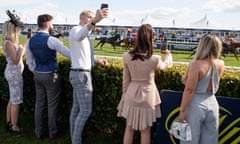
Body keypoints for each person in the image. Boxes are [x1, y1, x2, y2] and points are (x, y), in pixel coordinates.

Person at [117, 24, 173, 144]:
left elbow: (125, 80)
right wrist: (168, 56)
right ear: (151, 39)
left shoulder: (127, 56)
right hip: (148, 96)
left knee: (129, 128)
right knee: (145, 130)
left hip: (131, 94)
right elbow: (165, 66)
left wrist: (124, 95)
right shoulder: (155, 59)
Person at [26, 14, 70, 140]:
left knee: (39, 104)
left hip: (38, 74)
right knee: (52, 105)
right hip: (51, 75)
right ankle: (53, 132)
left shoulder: (30, 40)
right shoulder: (52, 40)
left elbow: (29, 61)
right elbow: (68, 53)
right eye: (52, 24)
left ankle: (38, 133)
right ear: (48, 24)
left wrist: (34, 71)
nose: (53, 26)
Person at [68, 8, 108, 144]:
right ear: (82, 17)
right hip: (81, 75)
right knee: (85, 111)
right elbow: (80, 35)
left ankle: (74, 138)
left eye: (93, 17)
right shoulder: (76, 30)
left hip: (79, 73)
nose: (92, 18)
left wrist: (97, 60)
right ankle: (76, 141)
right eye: (89, 17)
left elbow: (83, 55)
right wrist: (95, 21)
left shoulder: (83, 32)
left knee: (77, 108)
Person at [178, 34, 225, 144]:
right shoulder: (221, 64)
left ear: (202, 46)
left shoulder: (196, 65)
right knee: (210, 141)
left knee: (189, 140)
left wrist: (182, 111)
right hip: (213, 103)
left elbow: (189, 90)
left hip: (195, 104)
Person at [2, 10, 25, 133]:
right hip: (14, 73)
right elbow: (16, 60)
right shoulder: (9, 43)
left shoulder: (9, 42)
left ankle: (9, 123)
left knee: (12, 99)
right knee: (16, 100)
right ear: (13, 29)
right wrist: (22, 49)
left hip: (13, 72)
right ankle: (14, 126)